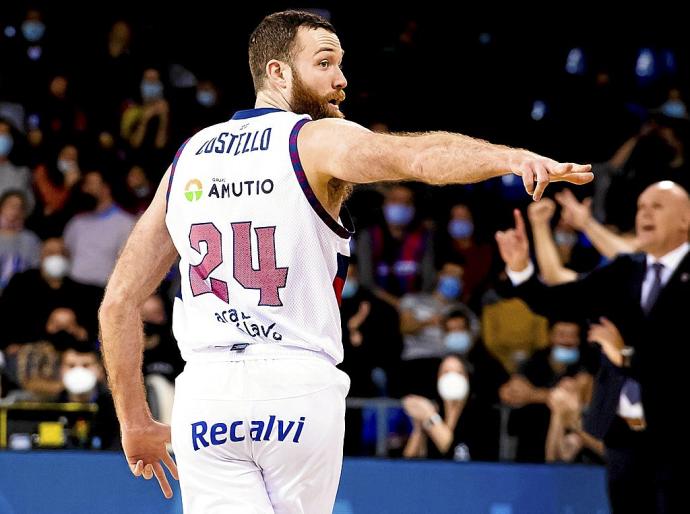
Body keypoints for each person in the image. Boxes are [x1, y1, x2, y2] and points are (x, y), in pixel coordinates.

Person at [98, 10, 592, 513]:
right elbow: (417, 158)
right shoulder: (310, 139)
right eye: (325, 62)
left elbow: (118, 301)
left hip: (206, 395)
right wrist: (509, 159)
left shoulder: (190, 156)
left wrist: (135, 420)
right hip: (295, 386)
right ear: (277, 72)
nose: (341, 79)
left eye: (341, 64)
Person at [495, 180, 690, 513]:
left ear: (686, 218)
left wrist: (624, 355)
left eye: (656, 207)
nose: (644, 214)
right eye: (641, 207)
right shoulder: (626, 270)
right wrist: (521, 272)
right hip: (623, 436)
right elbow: (561, 302)